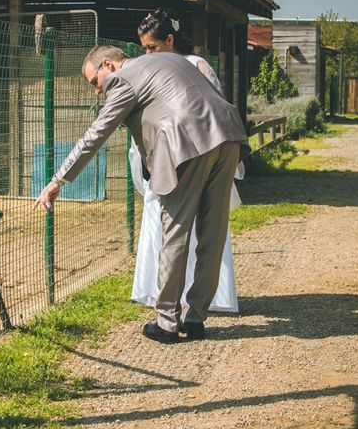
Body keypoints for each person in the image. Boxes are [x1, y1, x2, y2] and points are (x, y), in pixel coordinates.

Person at [33, 45, 249, 343]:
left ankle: (167, 323)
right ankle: (196, 319)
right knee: (213, 234)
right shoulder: (169, 58)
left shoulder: (123, 79)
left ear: (107, 65)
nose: (97, 91)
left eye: (94, 82)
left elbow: (97, 133)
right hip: (227, 135)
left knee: (175, 233)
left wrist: (58, 179)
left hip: (188, 145)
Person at [130, 8, 242, 314]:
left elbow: (213, 109)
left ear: (169, 39)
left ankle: (196, 301)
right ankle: (165, 295)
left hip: (197, 157)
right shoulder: (150, 70)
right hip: (165, 160)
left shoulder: (196, 65)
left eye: (152, 47)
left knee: (200, 229)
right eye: (144, 50)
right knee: (168, 232)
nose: (148, 54)